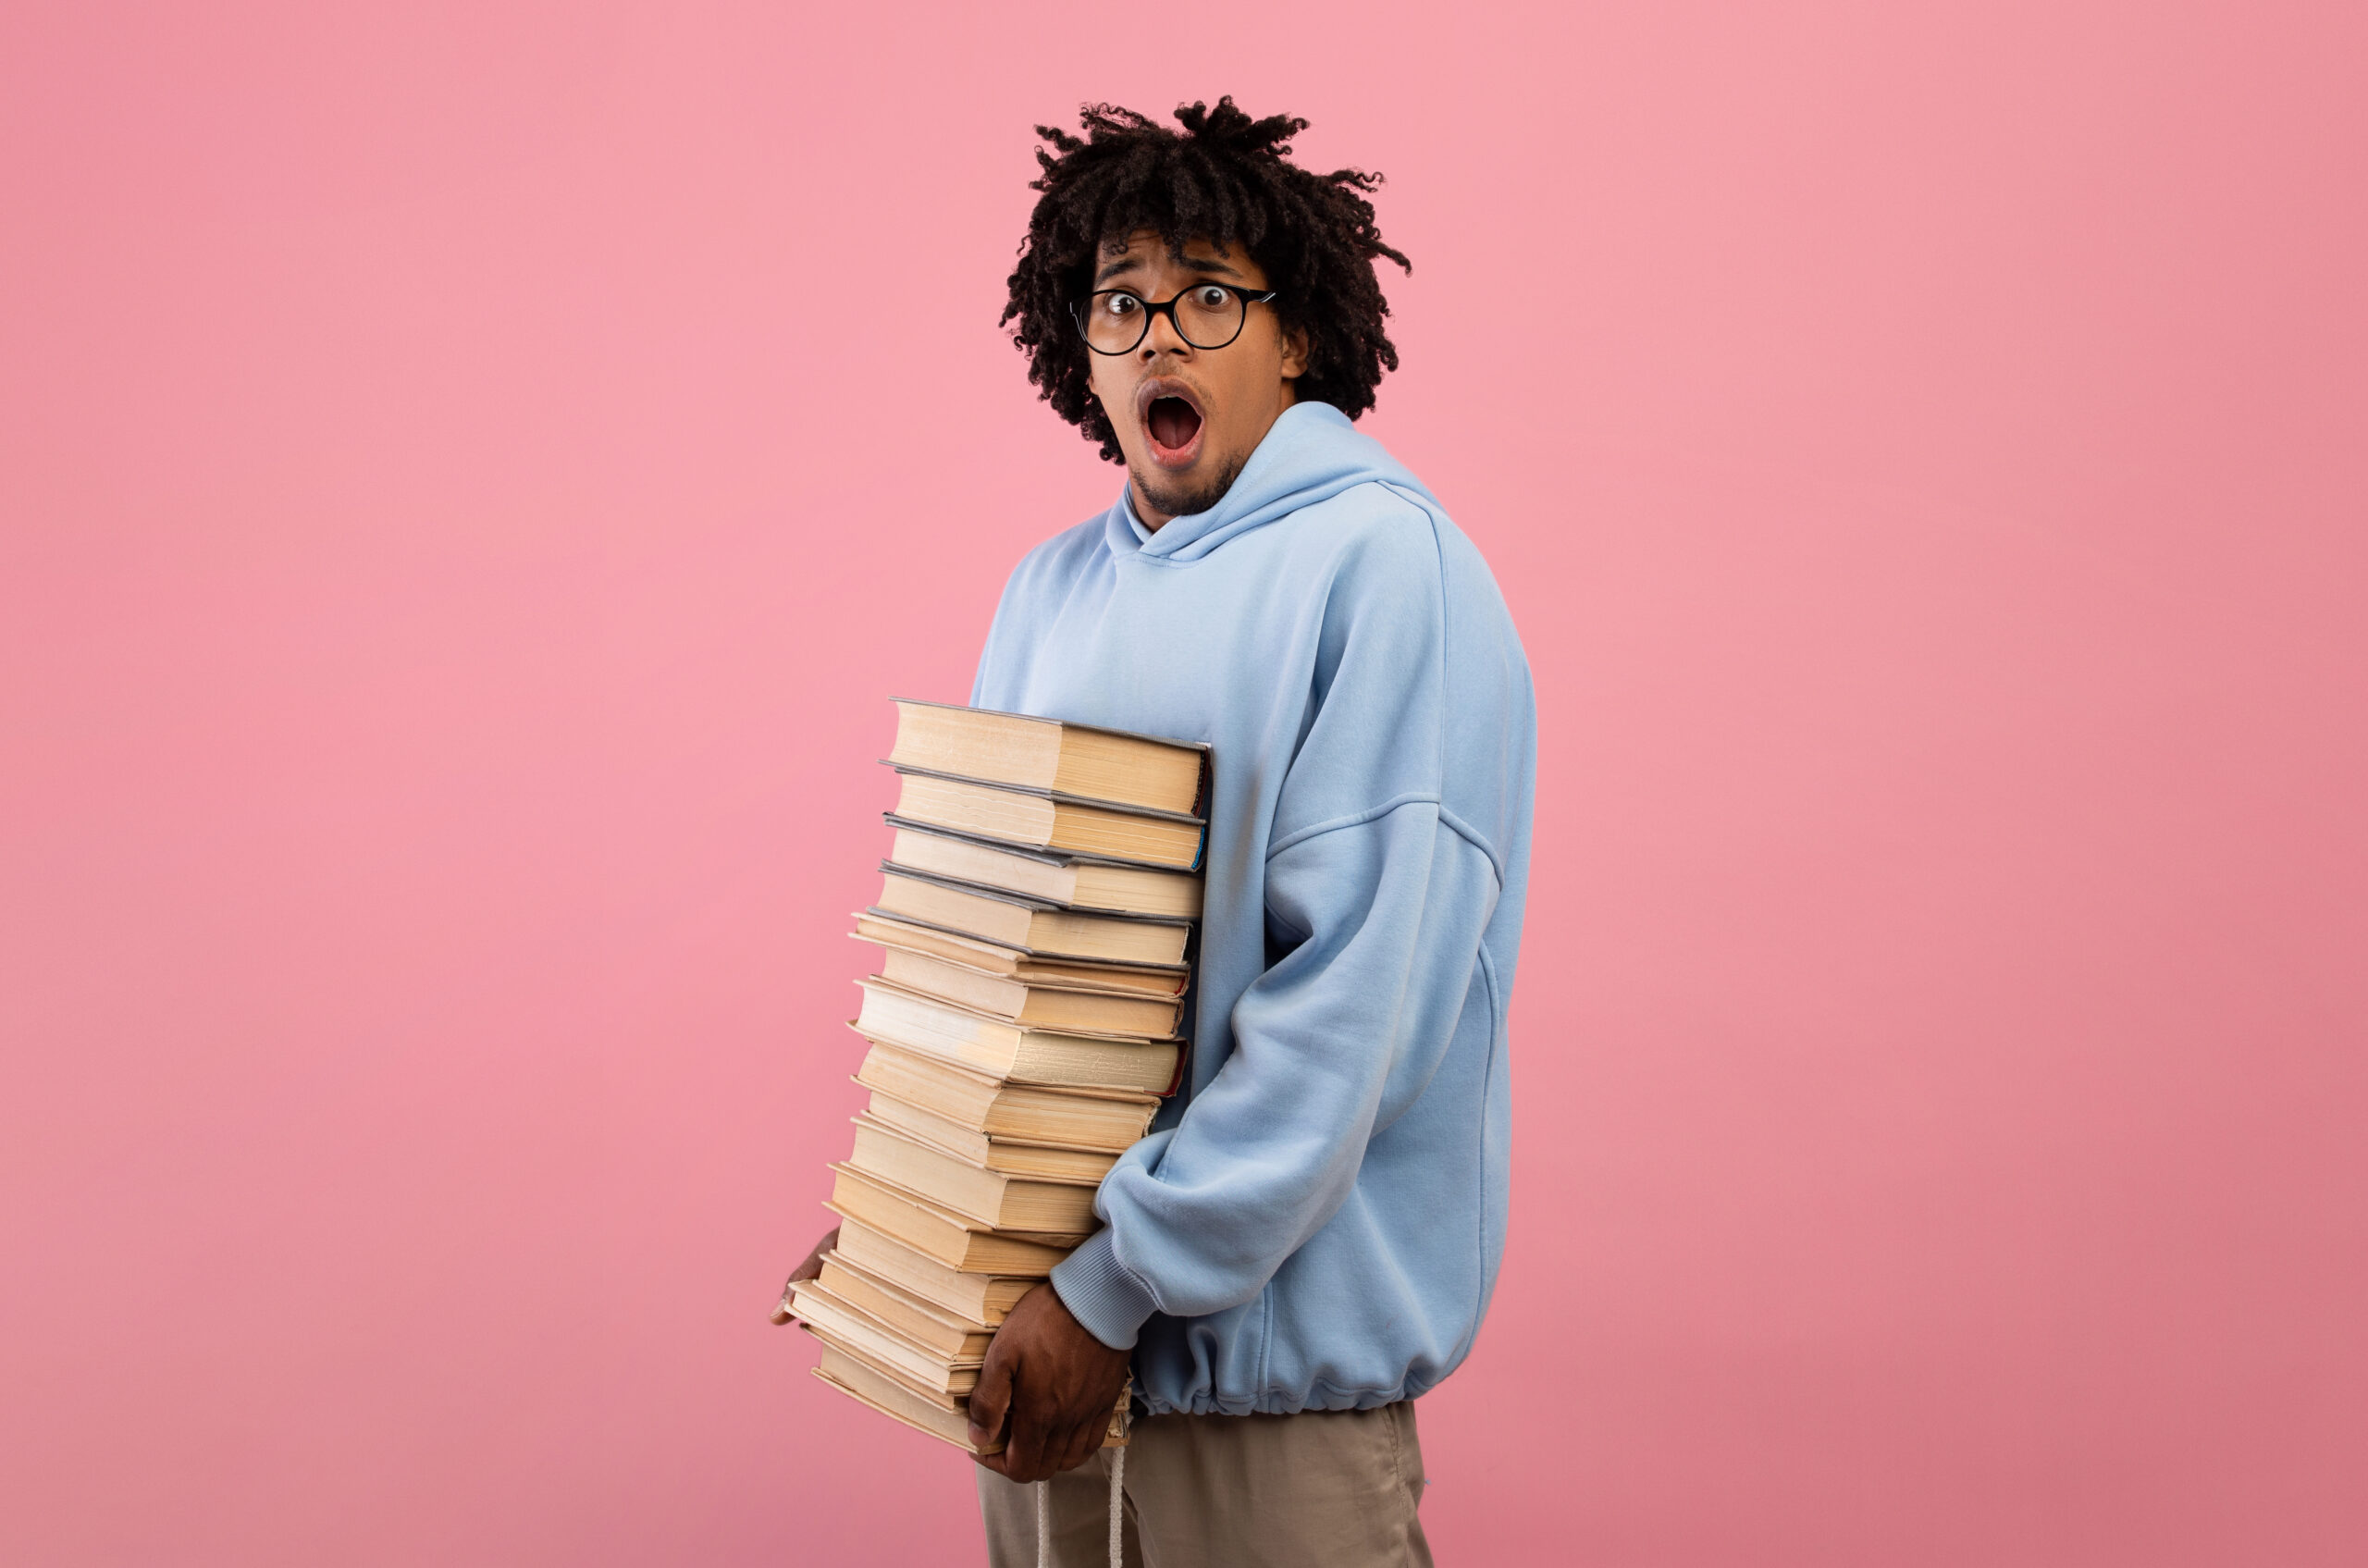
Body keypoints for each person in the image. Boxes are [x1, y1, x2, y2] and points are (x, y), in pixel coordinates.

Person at [789, 97, 1535, 1567]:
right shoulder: (1047, 592)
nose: (1158, 338)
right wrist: (911, 1218)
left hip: (1258, 1421)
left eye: (1207, 296)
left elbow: (1350, 1016)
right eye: (1120, 303)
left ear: (1297, 336)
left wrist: (1114, 1290)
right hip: (1037, 1380)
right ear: (1080, 349)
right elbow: (997, 962)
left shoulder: (1387, 571)